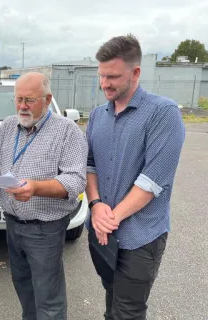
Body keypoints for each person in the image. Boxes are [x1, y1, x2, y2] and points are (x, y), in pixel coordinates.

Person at [85, 34, 185, 320]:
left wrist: (110, 217)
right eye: (102, 76)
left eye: (113, 76)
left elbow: (152, 181)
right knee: (111, 300)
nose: (105, 84)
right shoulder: (96, 117)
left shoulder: (163, 114)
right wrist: (95, 205)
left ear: (136, 72)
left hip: (141, 235)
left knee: (127, 311)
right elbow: (90, 165)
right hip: (103, 231)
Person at [0, 72, 88, 320]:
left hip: (46, 228)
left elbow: (76, 180)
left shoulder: (67, 131)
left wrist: (35, 187)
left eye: (30, 100)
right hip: (13, 223)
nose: (22, 106)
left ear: (48, 99)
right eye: (18, 99)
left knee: (49, 299)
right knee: (24, 289)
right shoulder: (7, 126)